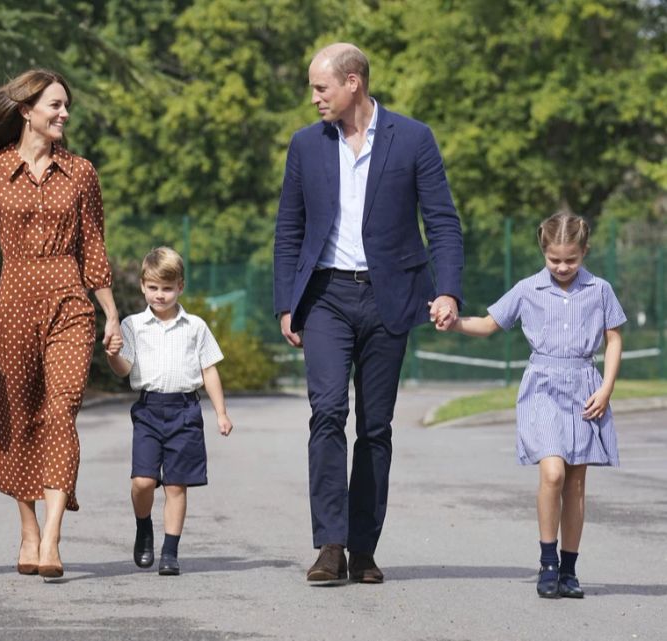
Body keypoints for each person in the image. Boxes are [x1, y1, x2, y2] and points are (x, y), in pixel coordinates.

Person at [273, 43, 464, 583]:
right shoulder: (305, 146)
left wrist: (447, 290)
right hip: (327, 297)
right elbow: (289, 230)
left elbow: (443, 222)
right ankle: (330, 545)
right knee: (328, 413)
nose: (314, 98)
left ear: (353, 82)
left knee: (375, 427)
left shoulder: (414, 138)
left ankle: (364, 548)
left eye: (321, 87)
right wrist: (288, 302)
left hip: (390, 298)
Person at [0, 69, 122, 579]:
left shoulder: (82, 171)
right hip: (14, 302)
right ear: (27, 110)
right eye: (55, 105)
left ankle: (51, 539)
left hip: (70, 301)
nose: (64, 114)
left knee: (61, 411)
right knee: (17, 415)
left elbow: (93, 248)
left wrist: (111, 313)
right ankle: (27, 530)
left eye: (66, 106)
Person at [437, 212, 625, 599]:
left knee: (575, 481)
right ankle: (548, 562)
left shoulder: (600, 290)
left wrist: (606, 389)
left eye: (570, 259)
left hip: (586, 388)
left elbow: (613, 339)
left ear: (584, 251)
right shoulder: (528, 289)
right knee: (552, 472)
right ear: (544, 252)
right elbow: (489, 324)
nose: (562, 267)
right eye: (554, 259)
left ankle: (570, 570)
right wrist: (454, 322)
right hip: (542, 386)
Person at [106, 247, 233, 576]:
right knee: (143, 482)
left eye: (167, 288)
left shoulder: (195, 327)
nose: (159, 295)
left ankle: (170, 552)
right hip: (149, 411)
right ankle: (144, 526)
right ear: (142, 286)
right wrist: (112, 355)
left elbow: (210, 371)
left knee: (177, 484)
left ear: (180, 287)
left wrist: (220, 412)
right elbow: (124, 369)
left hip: (185, 410)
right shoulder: (133, 326)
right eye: (153, 288)